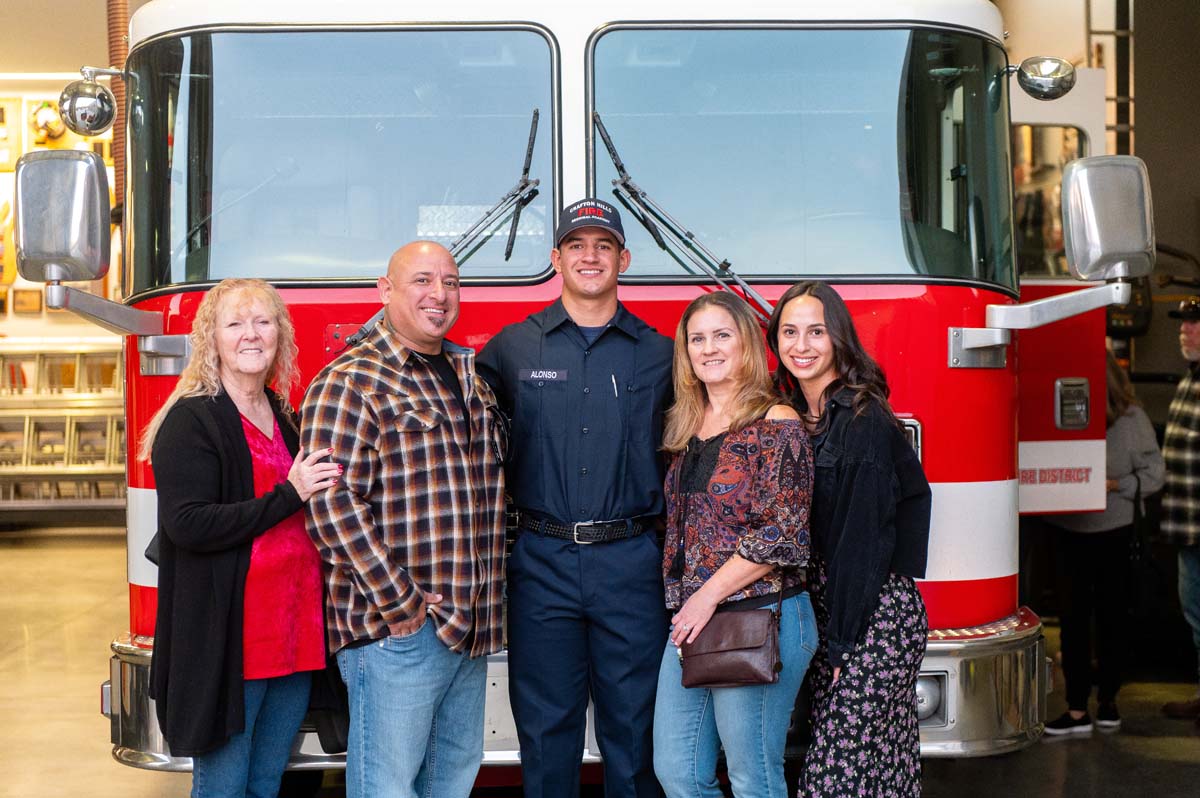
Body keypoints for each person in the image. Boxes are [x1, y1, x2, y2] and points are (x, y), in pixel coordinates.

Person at [476, 198, 673, 798]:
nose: (591, 256)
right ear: (556, 258)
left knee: (635, 738)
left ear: (624, 259)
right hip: (542, 563)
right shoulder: (511, 350)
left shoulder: (664, 354)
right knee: (545, 737)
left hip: (632, 563)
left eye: (603, 245)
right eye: (578, 245)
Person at [301, 241, 508, 798]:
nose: (439, 295)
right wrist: (403, 607)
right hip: (399, 634)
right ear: (385, 290)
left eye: (450, 282)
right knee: (387, 788)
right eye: (421, 280)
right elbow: (331, 507)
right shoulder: (350, 381)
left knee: (452, 781)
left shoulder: (467, 376)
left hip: (469, 628)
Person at [141, 278, 340, 798]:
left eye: (263, 321)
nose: (250, 335)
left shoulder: (285, 418)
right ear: (212, 339)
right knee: (224, 789)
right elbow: (189, 523)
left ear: (281, 334)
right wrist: (289, 494)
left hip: (295, 640)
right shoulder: (191, 422)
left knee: (265, 785)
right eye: (235, 323)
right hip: (233, 648)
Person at [767, 281, 930, 798]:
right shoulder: (799, 418)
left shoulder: (862, 420)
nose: (802, 345)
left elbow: (862, 545)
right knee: (881, 773)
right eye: (789, 332)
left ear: (839, 338)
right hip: (836, 616)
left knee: (832, 778)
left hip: (873, 620)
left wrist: (841, 650)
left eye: (816, 331)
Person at [653, 292, 816, 798]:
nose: (709, 349)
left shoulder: (777, 420)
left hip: (761, 616)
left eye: (722, 335)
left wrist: (704, 597)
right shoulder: (686, 424)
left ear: (746, 342)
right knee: (677, 771)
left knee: (753, 777)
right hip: (694, 621)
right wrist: (692, 603)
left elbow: (783, 532)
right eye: (697, 339)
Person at [1042, 352, 1164, 736]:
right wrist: (1120, 488)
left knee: (1082, 620)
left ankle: (1086, 707)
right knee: (1101, 619)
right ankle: (1098, 705)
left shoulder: (1126, 418)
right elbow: (1153, 473)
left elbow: (1154, 473)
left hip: (1086, 528)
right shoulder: (1135, 418)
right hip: (1095, 527)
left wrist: (1112, 486)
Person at [1160, 296, 1200, 727]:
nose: (1184, 330)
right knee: (1195, 613)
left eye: (1194, 323)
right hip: (1187, 526)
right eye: (1184, 323)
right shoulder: (1192, 377)